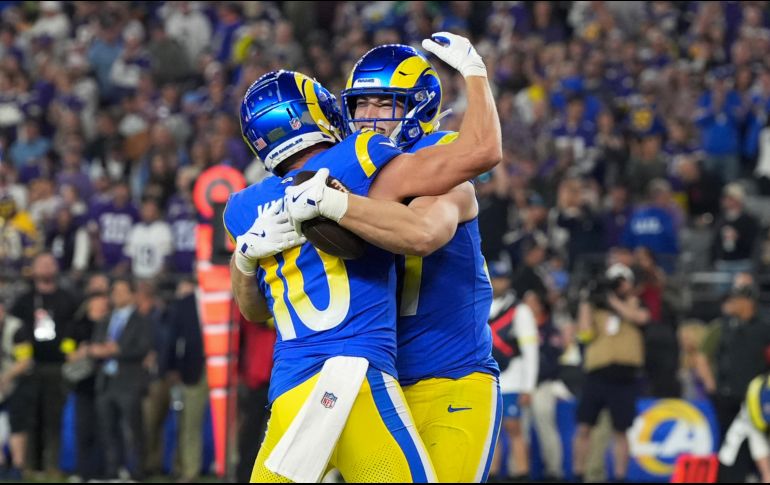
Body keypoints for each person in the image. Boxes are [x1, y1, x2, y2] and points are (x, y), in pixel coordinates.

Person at [225, 31, 500, 483]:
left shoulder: (430, 161)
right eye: (359, 105)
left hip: (449, 377)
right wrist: (245, 258)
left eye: (383, 104)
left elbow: (422, 232)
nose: (368, 117)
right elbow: (259, 307)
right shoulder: (348, 168)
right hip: (376, 376)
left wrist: (474, 73)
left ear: (418, 104)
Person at [573, 263, 651, 483]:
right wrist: (586, 301)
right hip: (597, 374)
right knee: (584, 426)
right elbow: (585, 334)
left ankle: (619, 477)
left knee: (621, 430)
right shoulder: (597, 309)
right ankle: (579, 474)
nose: (618, 286)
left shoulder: (636, 304)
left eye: (621, 282)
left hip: (625, 376)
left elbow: (640, 318)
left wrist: (613, 300)